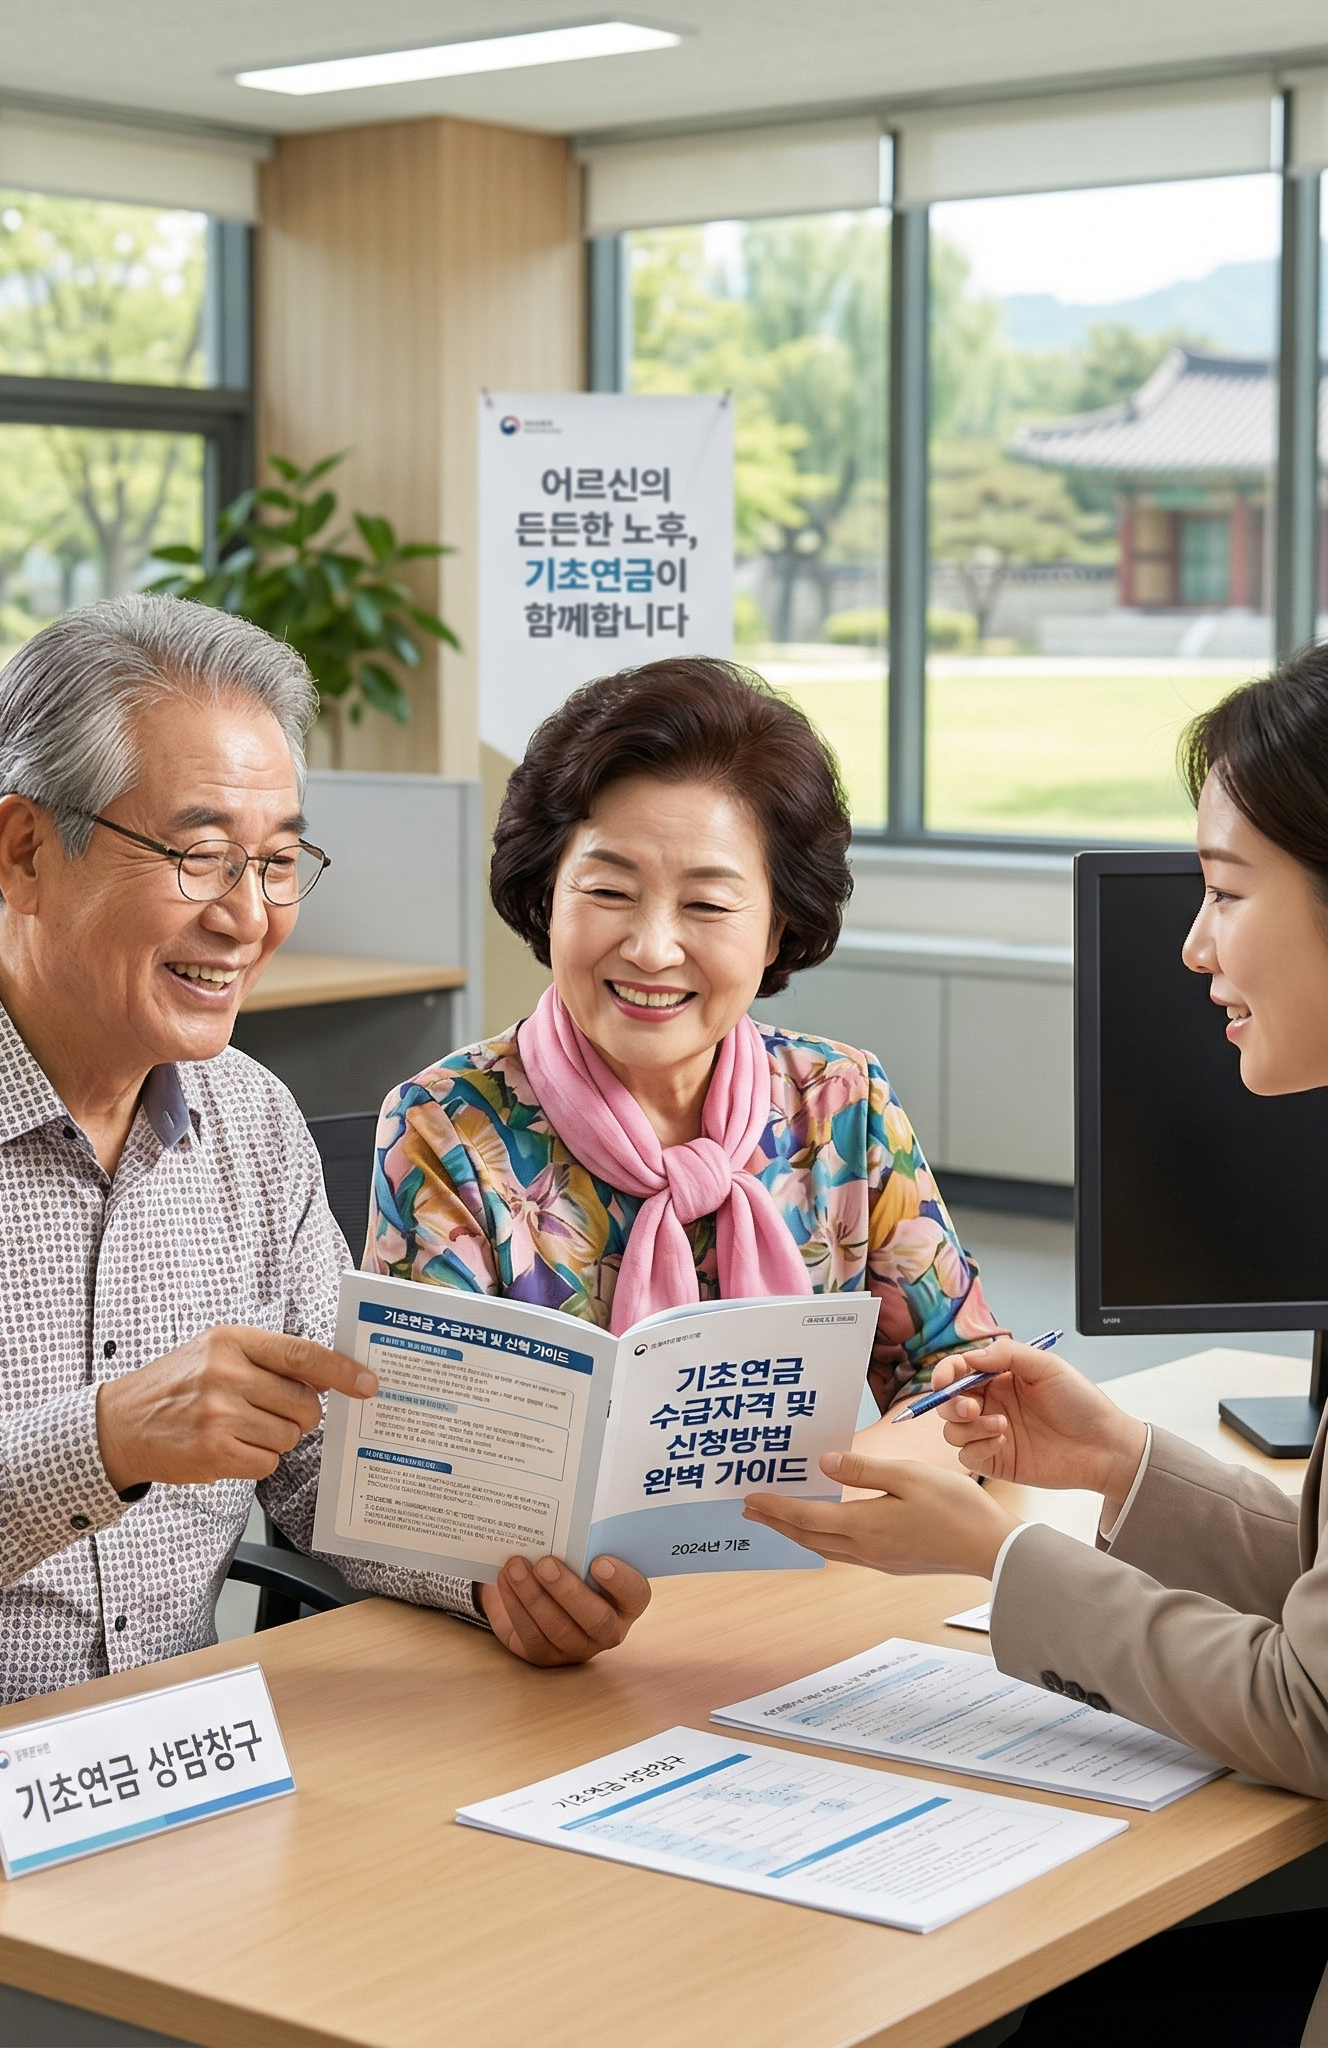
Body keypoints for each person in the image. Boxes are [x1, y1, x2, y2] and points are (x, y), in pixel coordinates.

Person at [0, 594, 584, 2048]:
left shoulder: (254, 1121)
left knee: (481, 1975)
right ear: (26, 849)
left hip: (162, 1780)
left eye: (280, 861)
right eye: (201, 854)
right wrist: (102, 1441)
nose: (251, 913)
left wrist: (494, 1576)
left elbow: (315, 1476)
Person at [744, 635, 1328, 2048]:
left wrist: (996, 1556)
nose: (1195, 945)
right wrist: (1120, 1462)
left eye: (1227, 894)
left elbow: (1324, 1712)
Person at [367, 656, 1005, 1666]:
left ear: (777, 925)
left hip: (798, 1615)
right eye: (608, 889)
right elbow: (423, 1470)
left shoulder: (838, 1102)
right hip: (557, 1648)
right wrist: (493, 1582)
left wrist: (878, 1463)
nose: (651, 948)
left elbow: (955, 1373)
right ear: (547, 896)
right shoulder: (446, 1124)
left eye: (706, 905)